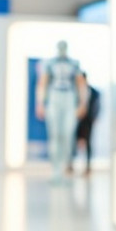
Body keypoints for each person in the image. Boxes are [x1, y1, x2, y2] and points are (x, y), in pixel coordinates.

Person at [35, 40, 88, 184]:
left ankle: (64, 169)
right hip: (54, 98)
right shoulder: (50, 63)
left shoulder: (74, 64)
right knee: (55, 135)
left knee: (67, 135)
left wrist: (83, 103)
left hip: (69, 99)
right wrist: (40, 103)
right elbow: (43, 83)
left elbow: (80, 84)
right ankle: (55, 170)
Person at [67, 72, 100, 176]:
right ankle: (70, 165)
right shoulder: (74, 92)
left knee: (88, 143)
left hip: (88, 120)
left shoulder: (94, 92)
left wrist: (95, 118)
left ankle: (88, 167)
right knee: (73, 143)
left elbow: (97, 106)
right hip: (77, 120)